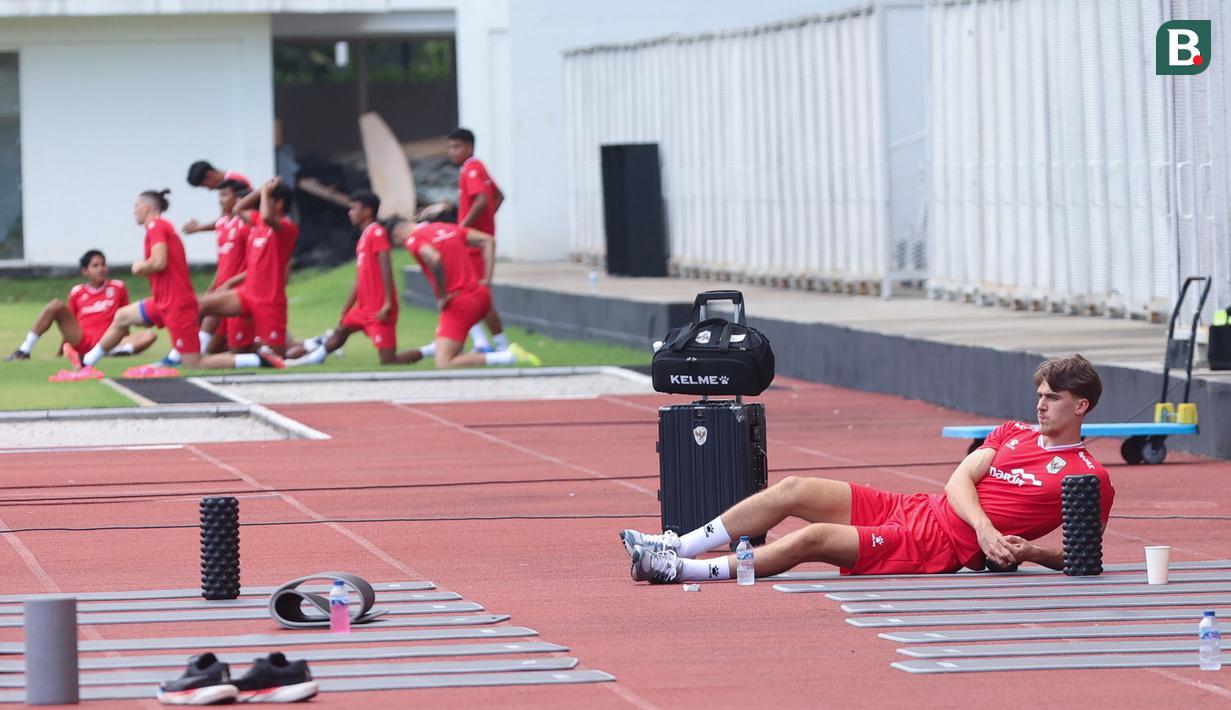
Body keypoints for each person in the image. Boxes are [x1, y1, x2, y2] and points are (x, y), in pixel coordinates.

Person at [622, 354, 1115, 583]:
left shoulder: (1089, 477)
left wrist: (1029, 551)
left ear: (1082, 407)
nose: (1041, 405)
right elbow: (961, 477)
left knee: (812, 539)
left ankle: (679, 570)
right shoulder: (1014, 432)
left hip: (934, 545)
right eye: (1040, 396)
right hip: (917, 507)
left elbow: (1080, 557)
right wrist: (986, 528)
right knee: (793, 487)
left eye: (1053, 399)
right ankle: (677, 543)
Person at [388, 220, 540, 369]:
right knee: (451, 345)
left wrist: (442, 294)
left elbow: (434, 258)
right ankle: (493, 347)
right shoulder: (446, 227)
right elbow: (488, 240)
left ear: (398, 233)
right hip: (480, 294)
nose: (403, 246)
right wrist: (486, 280)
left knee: (444, 362)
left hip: (459, 302)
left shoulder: (414, 238)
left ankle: (507, 356)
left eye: (399, 244)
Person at [81, 190, 205, 371]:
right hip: (163, 301)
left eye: (136, 206)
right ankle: (86, 362)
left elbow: (159, 262)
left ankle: (254, 360)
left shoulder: (156, 226)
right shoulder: (159, 227)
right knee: (122, 316)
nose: (134, 211)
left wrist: (140, 266)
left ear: (146, 208)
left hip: (177, 305)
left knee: (194, 365)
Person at [285, 189, 411, 366]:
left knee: (388, 360)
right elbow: (360, 278)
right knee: (340, 332)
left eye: (354, 208)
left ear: (367, 211)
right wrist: (347, 308)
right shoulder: (364, 237)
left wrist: (388, 302)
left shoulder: (377, 233)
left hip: (379, 310)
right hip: (363, 308)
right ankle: (305, 361)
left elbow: (386, 267)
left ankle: (431, 351)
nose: (350, 212)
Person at [194, 177, 299, 368]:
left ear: (279, 203)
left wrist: (265, 192)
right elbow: (237, 209)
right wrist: (262, 188)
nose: (260, 206)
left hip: (269, 301)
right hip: (247, 294)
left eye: (268, 200)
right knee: (199, 305)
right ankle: (184, 356)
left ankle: (310, 351)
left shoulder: (286, 227)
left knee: (278, 357)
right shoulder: (257, 223)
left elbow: (268, 217)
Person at [5, 250, 155, 363]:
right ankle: (24, 349)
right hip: (83, 341)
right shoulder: (77, 292)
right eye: (95, 265)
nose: (101, 269)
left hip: (111, 340)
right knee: (55, 305)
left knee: (150, 335)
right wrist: (61, 351)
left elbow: (125, 319)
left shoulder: (118, 287)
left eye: (103, 264)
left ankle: (119, 351)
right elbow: (69, 324)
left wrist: (124, 339)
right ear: (85, 271)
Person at [443, 127, 507, 354]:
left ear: (469, 147)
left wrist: (464, 229)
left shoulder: (470, 170)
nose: (452, 151)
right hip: (476, 243)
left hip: (473, 247)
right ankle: (483, 342)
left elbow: (481, 200)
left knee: (474, 295)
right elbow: (498, 196)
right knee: (466, 294)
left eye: (456, 147)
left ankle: (497, 344)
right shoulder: (478, 167)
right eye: (450, 147)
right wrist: (485, 224)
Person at [181, 179, 256, 357]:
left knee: (235, 344)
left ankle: (182, 355)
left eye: (224, 195)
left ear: (238, 199)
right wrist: (212, 288)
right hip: (222, 290)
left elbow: (255, 265)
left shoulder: (245, 226)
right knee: (214, 347)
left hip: (239, 292)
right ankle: (189, 353)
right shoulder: (221, 224)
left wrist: (230, 283)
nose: (220, 200)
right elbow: (224, 264)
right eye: (219, 195)